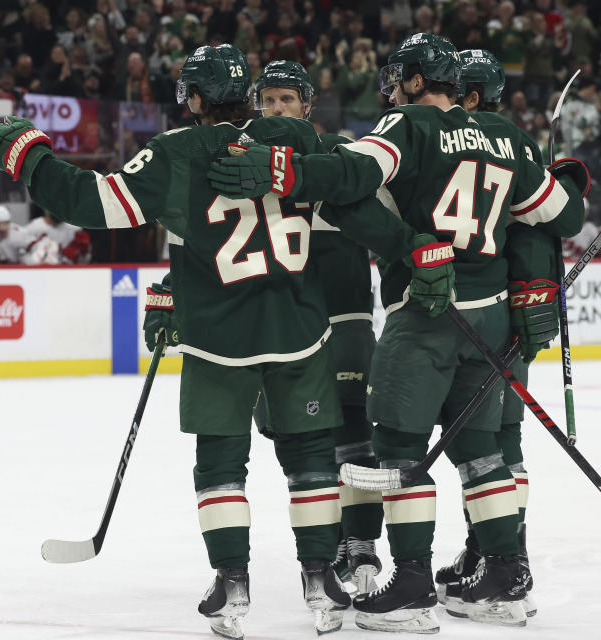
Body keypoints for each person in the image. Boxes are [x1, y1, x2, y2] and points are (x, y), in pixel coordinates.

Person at [208, 33, 587, 632]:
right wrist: (558, 176)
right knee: (481, 450)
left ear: (414, 80)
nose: (391, 88)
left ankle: (411, 587)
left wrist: (287, 169)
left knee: (399, 453)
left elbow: (353, 174)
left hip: (429, 313)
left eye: (396, 78)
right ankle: (507, 578)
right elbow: (566, 216)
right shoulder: (509, 138)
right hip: (489, 319)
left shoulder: (407, 126)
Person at [0, 44, 354, 637]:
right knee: (311, 459)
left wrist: (28, 157)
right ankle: (321, 580)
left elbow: (90, 201)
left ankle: (233, 584)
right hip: (300, 332)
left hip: (218, 340)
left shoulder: (174, 152)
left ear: (199, 98)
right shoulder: (296, 138)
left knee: (219, 464)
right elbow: (355, 186)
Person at [248, 59, 384, 594]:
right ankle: (327, 552)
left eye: (287, 100)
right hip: (281, 327)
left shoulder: (341, 155)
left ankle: (364, 549)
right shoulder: (246, 162)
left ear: (308, 105)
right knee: (300, 444)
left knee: (353, 434)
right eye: (268, 100)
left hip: (345, 317)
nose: (277, 110)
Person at [434, 48, 560, 621]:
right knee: (492, 440)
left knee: (490, 442)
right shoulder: (515, 143)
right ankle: (492, 550)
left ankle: (507, 559)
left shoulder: (451, 140)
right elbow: (560, 220)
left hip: (478, 313)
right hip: (503, 310)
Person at [25, 209, 92, 264]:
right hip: (40, 269)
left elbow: (85, 259)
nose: (57, 212)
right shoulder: (33, 227)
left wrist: (83, 253)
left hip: (67, 271)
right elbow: (23, 254)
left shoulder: (75, 229)